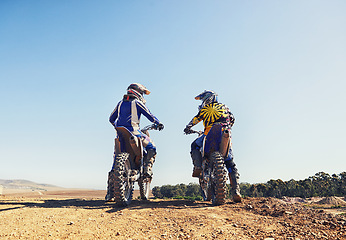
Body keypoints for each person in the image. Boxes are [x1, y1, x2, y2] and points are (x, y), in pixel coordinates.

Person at [106, 83, 164, 201]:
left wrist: (118, 126)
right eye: (142, 93)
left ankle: (110, 193)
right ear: (137, 92)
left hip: (120, 136)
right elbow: (150, 115)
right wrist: (158, 123)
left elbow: (111, 119)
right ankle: (147, 169)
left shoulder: (120, 103)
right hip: (135, 133)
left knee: (115, 160)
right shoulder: (137, 103)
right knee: (152, 146)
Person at [183, 90, 241, 202]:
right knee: (230, 163)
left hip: (208, 134)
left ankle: (198, 166)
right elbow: (233, 119)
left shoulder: (205, 109)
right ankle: (236, 191)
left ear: (206, 98)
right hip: (225, 134)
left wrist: (188, 127)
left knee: (194, 145)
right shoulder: (225, 107)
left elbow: (195, 119)